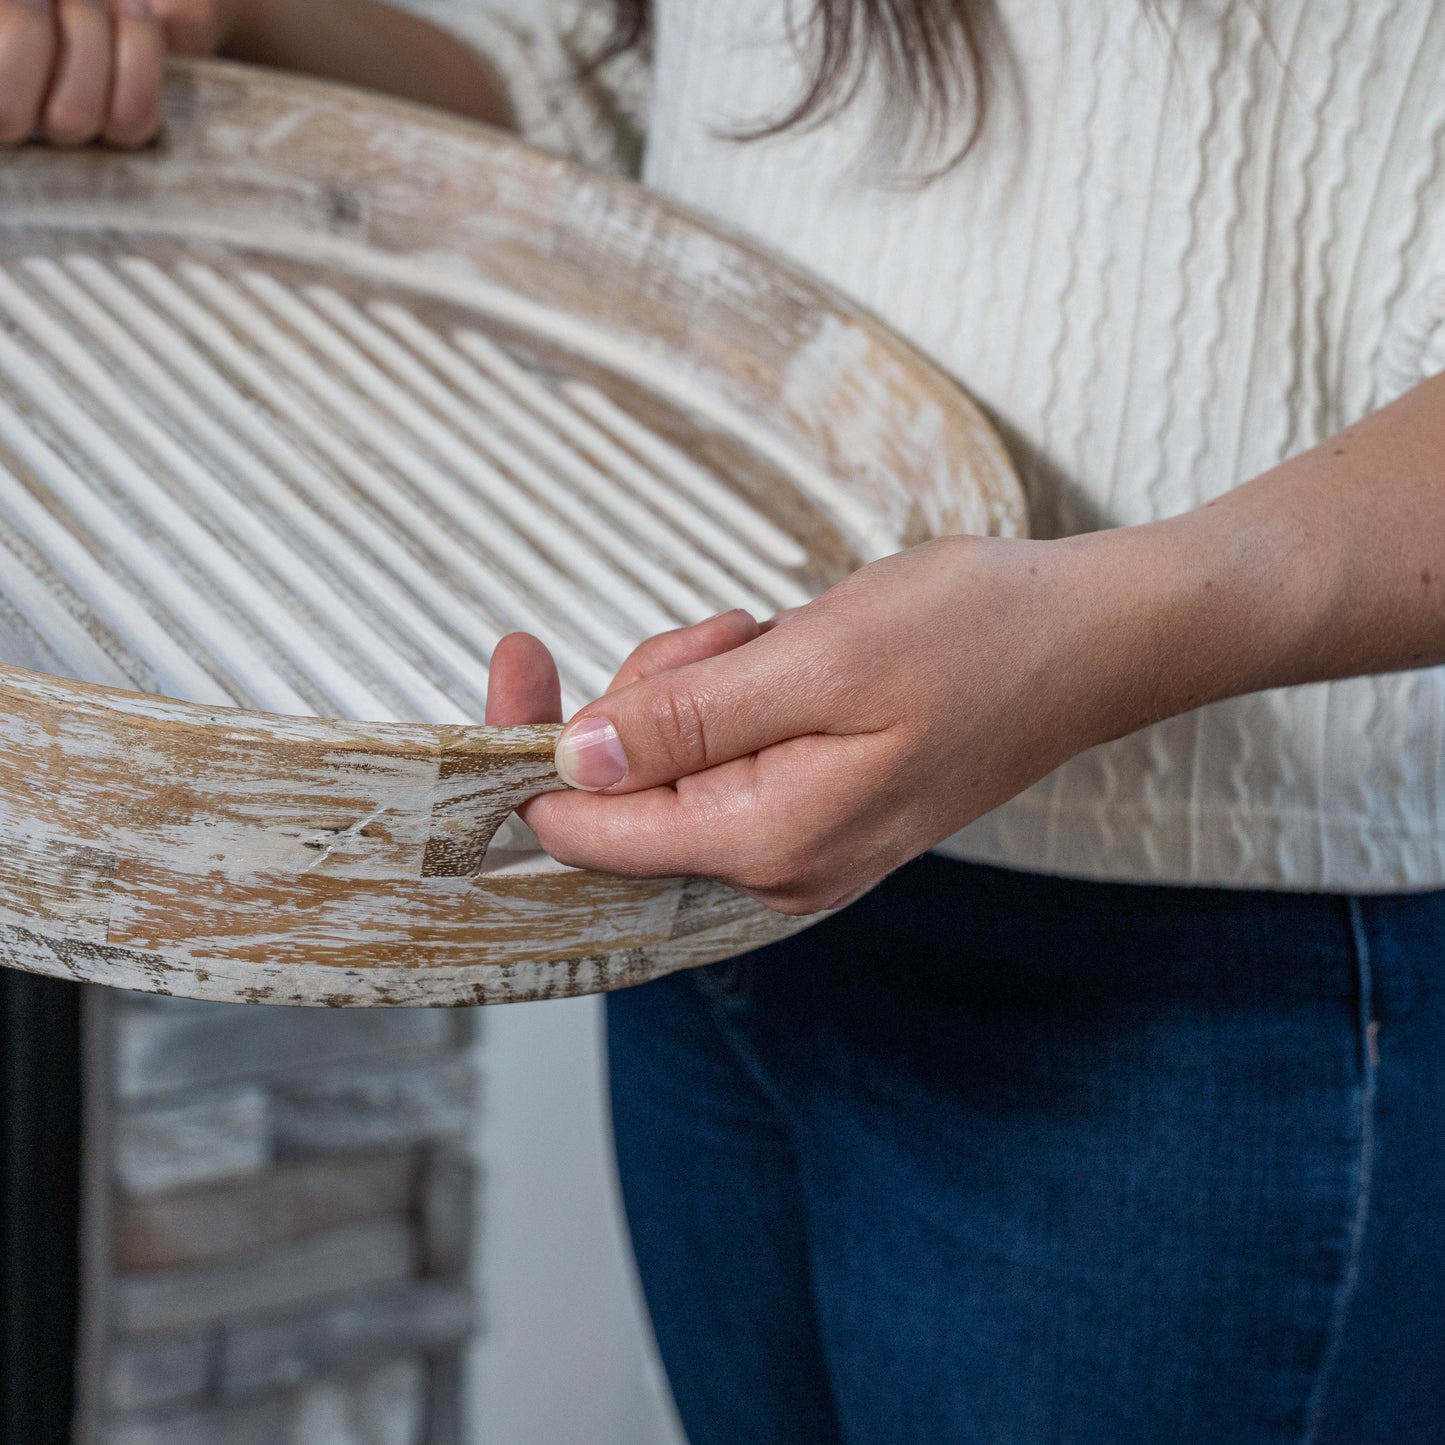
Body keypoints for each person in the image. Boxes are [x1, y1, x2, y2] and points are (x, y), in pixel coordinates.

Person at [5, 2, 1444, 1440]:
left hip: (1208, 959)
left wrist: (1095, 630)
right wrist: (199, 17)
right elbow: (588, 83)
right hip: (725, 881)